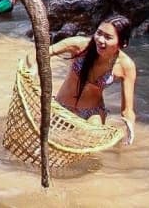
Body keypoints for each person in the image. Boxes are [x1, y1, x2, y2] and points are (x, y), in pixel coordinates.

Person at [31, 14, 137, 143]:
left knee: (91, 154)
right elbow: (45, 52)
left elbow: (127, 110)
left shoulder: (126, 65)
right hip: (61, 107)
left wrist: (129, 128)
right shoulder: (79, 45)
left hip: (92, 114)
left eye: (108, 37)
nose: (100, 40)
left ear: (122, 43)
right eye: (99, 33)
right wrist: (34, 68)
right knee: (41, 141)